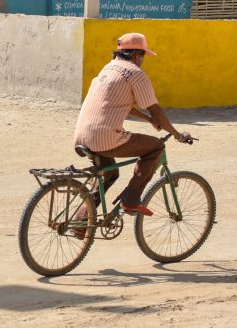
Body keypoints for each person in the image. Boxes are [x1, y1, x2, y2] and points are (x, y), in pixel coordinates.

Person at [72, 32, 193, 217]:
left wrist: (149, 120)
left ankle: (81, 220)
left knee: (110, 174)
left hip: (82, 136)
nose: (143, 60)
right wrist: (178, 135)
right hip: (104, 138)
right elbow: (157, 110)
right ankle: (130, 200)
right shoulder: (135, 74)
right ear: (136, 55)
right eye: (143, 55)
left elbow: (123, 105)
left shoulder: (108, 69)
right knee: (156, 147)